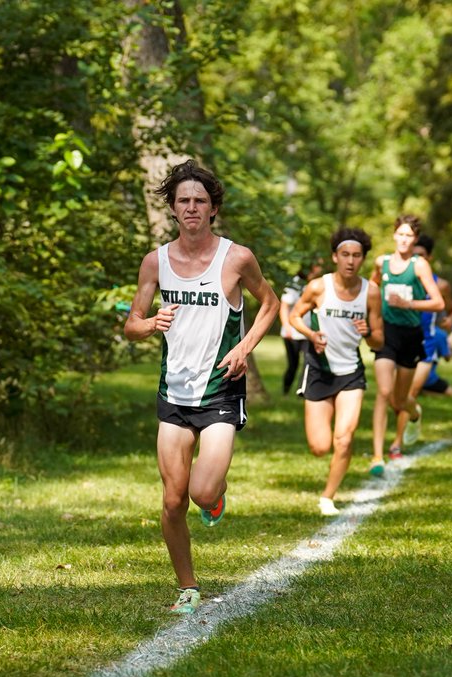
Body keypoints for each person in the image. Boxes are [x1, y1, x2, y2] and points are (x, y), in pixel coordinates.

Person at [124, 160, 279, 614]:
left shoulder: (237, 258)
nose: (192, 207)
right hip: (174, 394)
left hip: (220, 390)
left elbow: (270, 304)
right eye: (184, 200)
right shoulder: (156, 262)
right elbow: (131, 325)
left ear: (213, 209)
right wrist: (151, 322)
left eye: (200, 201)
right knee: (173, 500)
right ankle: (187, 588)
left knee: (202, 492)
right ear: (173, 208)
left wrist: (245, 347)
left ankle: (215, 498)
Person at [290, 228, 382, 516]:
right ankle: (330, 467)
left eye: (356, 256)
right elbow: (294, 316)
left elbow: (379, 339)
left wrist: (369, 334)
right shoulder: (318, 287)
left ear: (363, 259)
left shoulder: (372, 292)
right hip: (319, 370)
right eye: (345, 255)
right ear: (335, 257)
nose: (350, 261)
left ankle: (328, 497)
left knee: (344, 437)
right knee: (319, 447)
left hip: (351, 373)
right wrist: (311, 333)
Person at [368, 215, 445, 476]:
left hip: (411, 335)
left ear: (415, 240)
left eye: (409, 236)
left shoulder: (419, 265)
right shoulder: (382, 262)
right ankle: (377, 456)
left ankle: (415, 412)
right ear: (394, 235)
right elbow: (371, 289)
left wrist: (408, 304)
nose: (403, 239)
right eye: (400, 234)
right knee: (384, 392)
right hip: (387, 334)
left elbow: (438, 303)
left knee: (400, 400)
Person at [390, 232, 452, 455]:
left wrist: (447, 321)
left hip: (426, 345)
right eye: (414, 255)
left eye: (422, 255)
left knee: (411, 391)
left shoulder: (440, 284)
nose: (416, 259)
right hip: (400, 341)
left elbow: (449, 309)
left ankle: (396, 444)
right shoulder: (399, 276)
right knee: (395, 398)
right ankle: (414, 413)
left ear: (430, 258)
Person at [278, 258, 324, 394]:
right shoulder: (294, 284)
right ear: (311, 267)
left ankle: (302, 389)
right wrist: (286, 326)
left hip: (307, 332)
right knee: (293, 365)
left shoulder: (314, 284)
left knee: (308, 361)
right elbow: (284, 307)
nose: (320, 268)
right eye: (318, 265)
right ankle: (285, 390)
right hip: (291, 332)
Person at [421, 329, 452, 397]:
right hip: (428, 378)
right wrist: (449, 346)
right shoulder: (441, 334)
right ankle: (423, 391)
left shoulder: (420, 328)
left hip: (411, 373)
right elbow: (447, 358)